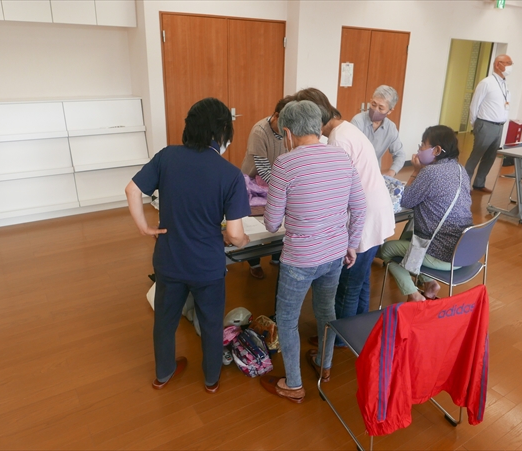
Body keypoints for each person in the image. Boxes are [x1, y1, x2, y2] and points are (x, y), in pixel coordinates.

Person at [125, 98, 251, 394]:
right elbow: (233, 235)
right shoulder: (230, 174)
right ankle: (211, 380)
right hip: (207, 266)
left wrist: (145, 227)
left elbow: (132, 189)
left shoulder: (167, 156)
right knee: (210, 322)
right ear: (222, 131)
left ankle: (163, 373)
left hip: (169, 259)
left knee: (165, 320)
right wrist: (242, 240)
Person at [259, 100, 367, 403]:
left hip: (300, 258)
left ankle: (293, 384)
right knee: (325, 309)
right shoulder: (341, 157)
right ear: (318, 127)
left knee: (288, 318)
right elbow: (359, 206)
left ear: (289, 132)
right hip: (334, 254)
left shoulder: (285, 164)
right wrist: (351, 244)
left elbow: (270, 223)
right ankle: (325, 364)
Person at [293, 88, 395, 347]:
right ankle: (361, 331)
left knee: (348, 285)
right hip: (377, 211)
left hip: (364, 215)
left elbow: (335, 192)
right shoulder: (348, 128)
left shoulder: (338, 139)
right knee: (361, 281)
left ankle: (339, 340)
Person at [379, 125, 473, 302]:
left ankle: (414, 294)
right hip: (464, 250)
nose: (419, 149)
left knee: (387, 250)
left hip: (442, 253)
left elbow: (406, 201)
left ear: (437, 150)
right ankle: (429, 283)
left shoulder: (430, 172)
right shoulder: (461, 170)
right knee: (409, 235)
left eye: (423, 145)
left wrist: (416, 171)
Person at [241, 96, 293, 279]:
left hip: (276, 181)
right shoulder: (259, 131)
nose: (288, 130)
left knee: (280, 220)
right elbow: (262, 167)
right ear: (276, 115)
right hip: (254, 181)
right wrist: (281, 187)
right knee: (256, 221)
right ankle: (254, 262)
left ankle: (276, 256)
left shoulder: (289, 131)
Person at [465, 54, 514, 193]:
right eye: (508, 63)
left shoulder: (504, 84)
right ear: (498, 64)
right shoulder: (486, 83)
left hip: (499, 126)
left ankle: (479, 183)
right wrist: (475, 125)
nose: (510, 66)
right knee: (476, 155)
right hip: (485, 124)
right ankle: (464, 185)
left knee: (490, 157)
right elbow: (474, 105)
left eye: (511, 63)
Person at [351, 85, 406, 177]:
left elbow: (400, 154)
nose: (375, 110)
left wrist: (391, 172)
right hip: (353, 171)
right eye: (373, 104)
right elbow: (350, 152)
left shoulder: (391, 128)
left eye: (381, 108)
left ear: (390, 111)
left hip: (374, 173)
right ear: (370, 100)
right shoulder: (358, 121)